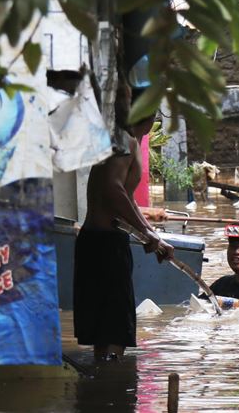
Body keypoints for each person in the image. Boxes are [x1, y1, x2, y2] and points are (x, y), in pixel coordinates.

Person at [74, 105, 174, 362]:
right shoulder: (126, 142)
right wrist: (146, 232)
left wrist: (152, 234)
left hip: (97, 240)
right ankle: (113, 394)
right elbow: (112, 190)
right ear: (151, 116)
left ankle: (101, 389)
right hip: (105, 244)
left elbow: (122, 198)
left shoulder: (119, 140)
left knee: (104, 332)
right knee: (116, 330)